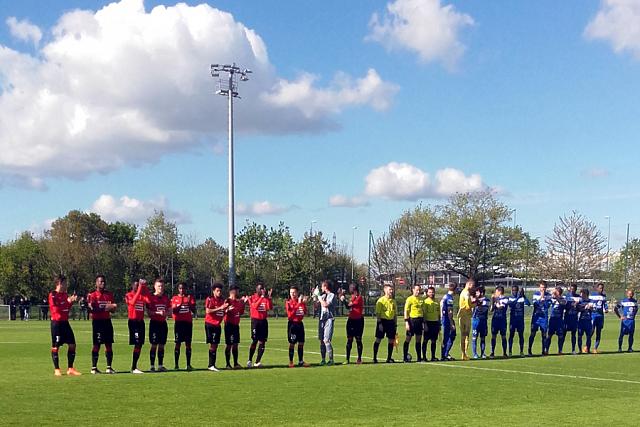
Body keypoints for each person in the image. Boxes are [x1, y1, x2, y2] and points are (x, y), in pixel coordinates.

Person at [48, 275, 81, 376]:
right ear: (59, 283)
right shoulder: (53, 295)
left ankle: (70, 368)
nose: (67, 285)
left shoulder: (65, 295)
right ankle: (57, 369)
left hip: (65, 323)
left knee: (72, 344)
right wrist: (67, 302)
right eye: (65, 283)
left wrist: (70, 302)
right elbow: (57, 309)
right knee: (56, 346)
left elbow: (66, 308)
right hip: (56, 323)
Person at [87, 275, 117, 374]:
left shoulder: (109, 294)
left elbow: (113, 310)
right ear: (96, 283)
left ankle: (109, 367)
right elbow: (91, 309)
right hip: (97, 322)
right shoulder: (93, 295)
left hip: (107, 321)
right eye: (100, 282)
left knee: (109, 344)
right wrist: (105, 308)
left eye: (104, 282)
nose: (103, 283)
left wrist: (113, 307)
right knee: (97, 344)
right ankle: (94, 368)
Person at [125, 279, 149, 374]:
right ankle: (133, 367)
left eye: (138, 285)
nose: (138, 287)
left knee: (140, 344)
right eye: (136, 285)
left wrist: (145, 287)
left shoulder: (141, 296)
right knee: (137, 342)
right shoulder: (128, 295)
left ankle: (134, 367)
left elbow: (149, 299)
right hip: (133, 322)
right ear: (132, 286)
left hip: (140, 322)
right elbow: (132, 302)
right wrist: (139, 289)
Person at [247, 282, 273, 368]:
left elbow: (269, 308)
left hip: (263, 321)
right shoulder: (252, 297)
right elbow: (254, 306)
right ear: (256, 289)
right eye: (260, 288)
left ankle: (257, 361)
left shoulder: (265, 298)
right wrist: (262, 297)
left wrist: (269, 298)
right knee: (254, 340)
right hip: (255, 321)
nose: (262, 290)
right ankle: (250, 360)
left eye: (263, 288)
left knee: (262, 342)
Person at [147, 278, 170, 372]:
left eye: (162, 286)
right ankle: (152, 366)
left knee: (162, 345)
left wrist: (167, 313)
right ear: (155, 287)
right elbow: (148, 312)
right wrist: (157, 313)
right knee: (154, 344)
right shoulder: (151, 298)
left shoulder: (165, 298)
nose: (161, 288)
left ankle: (160, 365)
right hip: (154, 324)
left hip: (163, 324)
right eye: (159, 286)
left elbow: (170, 310)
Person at [172, 282, 196, 371]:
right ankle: (176, 365)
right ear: (178, 289)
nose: (182, 290)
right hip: (178, 323)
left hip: (188, 324)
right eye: (180, 288)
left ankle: (188, 364)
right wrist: (181, 302)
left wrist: (189, 303)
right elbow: (174, 311)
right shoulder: (175, 298)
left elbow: (194, 310)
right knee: (178, 343)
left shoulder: (190, 297)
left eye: (183, 288)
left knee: (188, 344)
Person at [205, 283, 228, 372]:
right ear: (213, 291)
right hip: (210, 324)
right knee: (213, 344)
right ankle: (211, 365)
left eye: (220, 291)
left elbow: (223, 311)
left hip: (218, 325)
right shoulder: (210, 299)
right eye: (217, 291)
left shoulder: (222, 300)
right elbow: (208, 311)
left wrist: (226, 310)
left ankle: (212, 364)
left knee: (215, 344)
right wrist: (220, 308)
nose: (219, 292)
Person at [285, 286, 310, 368]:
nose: (292, 294)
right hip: (292, 324)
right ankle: (291, 361)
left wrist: (304, 304)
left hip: (300, 324)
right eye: (291, 292)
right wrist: (299, 303)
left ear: (297, 293)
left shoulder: (301, 302)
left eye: (294, 292)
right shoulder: (288, 302)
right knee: (292, 343)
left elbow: (305, 313)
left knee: (301, 343)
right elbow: (290, 315)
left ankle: (300, 361)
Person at [340, 283, 364, 364]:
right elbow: (348, 306)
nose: (349, 289)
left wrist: (343, 299)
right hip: (351, 320)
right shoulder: (352, 297)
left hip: (358, 321)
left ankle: (359, 358)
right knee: (349, 340)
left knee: (358, 340)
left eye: (350, 287)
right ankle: (347, 359)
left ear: (354, 288)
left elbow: (349, 305)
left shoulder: (359, 298)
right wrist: (343, 298)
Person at [373, 284, 397, 363]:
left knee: (391, 340)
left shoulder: (393, 301)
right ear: (385, 290)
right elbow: (378, 313)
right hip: (382, 322)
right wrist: (379, 323)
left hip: (391, 322)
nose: (391, 291)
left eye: (392, 289)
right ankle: (375, 357)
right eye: (390, 289)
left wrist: (395, 324)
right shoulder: (381, 300)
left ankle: (389, 358)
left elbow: (395, 314)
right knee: (378, 339)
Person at [224, 285, 246, 369]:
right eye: (237, 291)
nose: (238, 292)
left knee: (235, 344)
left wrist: (243, 303)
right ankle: (227, 364)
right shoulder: (227, 300)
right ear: (232, 291)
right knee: (229, 344)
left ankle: (236, 363)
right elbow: (223, 311)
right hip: (229, 325)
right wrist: (227, 310)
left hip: (236, 325)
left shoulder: (238, 301)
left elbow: (241, 312)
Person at [316, 280, 337, 366]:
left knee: (326, 340)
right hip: (322, 320)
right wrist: (315, 297)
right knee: (321, 340)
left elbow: (325, 304)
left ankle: (331, 359)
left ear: (325, 287)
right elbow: (317, 305)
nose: (321, 288)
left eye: (322, 286)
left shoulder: (331, 295)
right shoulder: (323, 295)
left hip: (329, 319)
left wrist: (319, 297)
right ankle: (323, 359)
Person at [403, 284, 425, 362]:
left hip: (420, 321)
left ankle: (419, 357)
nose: (418, 291)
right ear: (413, 290)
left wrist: (423, 322)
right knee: (408, 338)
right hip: (412, 320)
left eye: (419, 290)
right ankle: (405, 357)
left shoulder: (421, 299)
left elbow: (423, 311)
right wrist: (406, 322)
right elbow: (406, 311)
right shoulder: (409, 299)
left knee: (418, 339)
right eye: (417, 290)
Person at [528, 281, 551, 356]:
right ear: (539, 287)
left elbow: (547, 306)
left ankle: (543, 350)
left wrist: (544, 299)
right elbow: (535, 304)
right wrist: (541, 297)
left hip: (544, 318)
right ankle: (529, 350)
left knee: (544, 334)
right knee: (533, 334)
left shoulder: (548, 295)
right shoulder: (535, 294)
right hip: (536, 317)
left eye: (544, 287)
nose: (542, 289)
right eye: (541, 287)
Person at [507, 285, 530, 357]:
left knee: (521, 336)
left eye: (516, 290)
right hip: (513, 319)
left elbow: (528, 303)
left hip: (520, 320)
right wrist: (517, 297)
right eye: (513, 290)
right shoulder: (510, 298)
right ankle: (510, 351)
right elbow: (511, 305)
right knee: (511, 335)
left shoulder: (522, 298)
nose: (514, 292)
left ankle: (521, 351)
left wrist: (524, 295)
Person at [457, 280, 475, 360]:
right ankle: (464, 354)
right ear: (469, 285)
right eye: (473, 286)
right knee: (465, 335)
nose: (473, 288)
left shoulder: (463, 292)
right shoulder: (466, 293)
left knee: (463, 335)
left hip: (462, 315)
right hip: (465, 315)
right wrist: (475, 304)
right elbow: (468, 305)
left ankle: (464, 354)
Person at [490, 286, 509, 358]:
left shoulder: (506, 299)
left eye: (496, 292)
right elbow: (491, 309)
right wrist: (492, 301)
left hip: (502, 320)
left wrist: (496, 299)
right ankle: (492, 352)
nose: (495, 293)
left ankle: (504, 352)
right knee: (493, 336)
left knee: (503, 336)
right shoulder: (495, 299)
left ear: (500, 292)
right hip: (495, 319)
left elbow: (501, 307)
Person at [589, 283, 609, 353]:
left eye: (602, 288)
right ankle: (586, 346)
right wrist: (590, 307)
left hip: (600, 316)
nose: (601, 289)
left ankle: (595, 348)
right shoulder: (592, 295)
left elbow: (605, 305)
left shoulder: (604, 296)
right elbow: (589, 304)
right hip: (593, 316)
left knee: (599, 332)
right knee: (591, 331)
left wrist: (606, 309)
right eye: (600, 288)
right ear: (597, 288)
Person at [422, 286, 440, 361]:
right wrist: (425, 324)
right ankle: (424, 357)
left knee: (434, 340)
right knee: (425, 340)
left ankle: (433, 356)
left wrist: (439, 323)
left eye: (432, 292)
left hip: (435, 323)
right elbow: (424, 314)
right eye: (430, 292)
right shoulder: (425, 302)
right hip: (428, 323)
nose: (431, 293)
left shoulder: (437, 302)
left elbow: (438, 313)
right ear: (427, 293)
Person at [471, 286, 489, 359]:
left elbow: (482, 308)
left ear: (481, 293)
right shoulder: (475, 300)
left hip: (483, 321)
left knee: (483, 338)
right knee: (474, 338)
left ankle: (482, 353)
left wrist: (476, 301)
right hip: (476, 320)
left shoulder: (486, 300)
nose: (476, 293)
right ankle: (475, 354)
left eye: (477, 292)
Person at [547, 286, 567, 354]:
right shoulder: (552, 299)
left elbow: (562, 303)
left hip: (559, 320)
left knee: (560, 336)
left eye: (556, 292)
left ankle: (560, 350)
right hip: (552, 319)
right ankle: (546, 350)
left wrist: (557, 297)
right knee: (549, 335)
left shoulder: (563, 299)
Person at [440, 283, 457, 361]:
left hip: (444, 318)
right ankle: (445, 354)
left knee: (448, 336)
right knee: (449, 336)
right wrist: (451, 322)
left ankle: (445, 354)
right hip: (447, 319)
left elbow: (441, 306)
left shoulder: (445, 296)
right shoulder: (449, 298)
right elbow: (449, 311)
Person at [564, 284, 581, 354]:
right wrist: (571, 305)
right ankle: (560, 350)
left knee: (573, 334)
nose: (572, 291)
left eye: (573, 289)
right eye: (571, 289)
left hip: (574, 318)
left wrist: (577, 306)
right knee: (563, 334)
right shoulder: (566, 296)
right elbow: (564, 307)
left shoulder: (578, 297)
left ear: (575, 289)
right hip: (567, 318)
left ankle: (573, 350)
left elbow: (580, 308)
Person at [577, 289, 593, 354]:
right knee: (579, 335)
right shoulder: (579, 302)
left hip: (588, 321)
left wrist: (590, 307)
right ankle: (580, 350)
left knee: (588, 336)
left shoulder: (590, 301)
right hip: (581, 321)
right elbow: (578, 309)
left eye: (582, 295)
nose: (581, 296)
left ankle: (588, 350)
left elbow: (592, 309)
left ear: (585, 295)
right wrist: (584, 308)